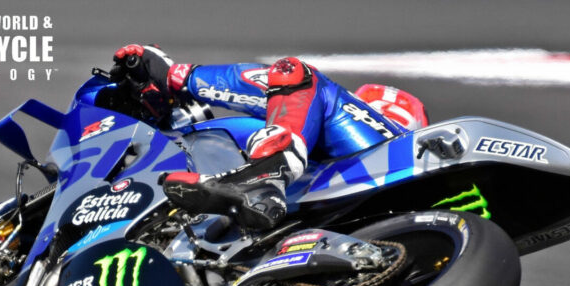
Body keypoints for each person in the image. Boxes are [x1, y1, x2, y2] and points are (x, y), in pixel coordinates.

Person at [111, 44, 427, 231]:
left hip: (394, 171)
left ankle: (267, 172)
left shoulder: (380, 131)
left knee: (293, 72)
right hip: (350, 224)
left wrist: (174, 78)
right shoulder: (299, 133)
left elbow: (278, 86)